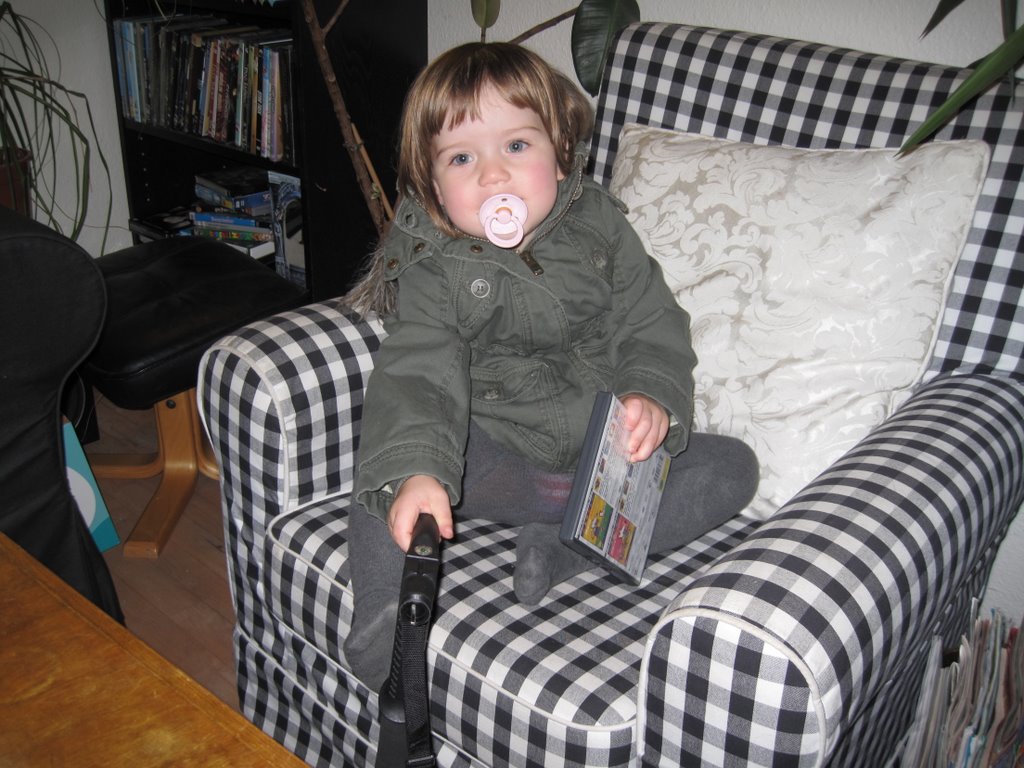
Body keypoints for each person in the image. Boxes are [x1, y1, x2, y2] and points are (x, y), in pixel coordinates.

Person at [342, 41, 759, 689]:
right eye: (461, 158)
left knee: (732, 468)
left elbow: (649, 318)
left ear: (560, 153)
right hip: (492, 460)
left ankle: (568, 548)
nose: (493, 176)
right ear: (432, 185)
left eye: (516, 145)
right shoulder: (434, 263)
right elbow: (420, 370)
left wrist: (650, 394)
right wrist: (420, 471)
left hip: (602, 459)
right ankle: (384, 614)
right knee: (390, 469)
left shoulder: (600, 228)